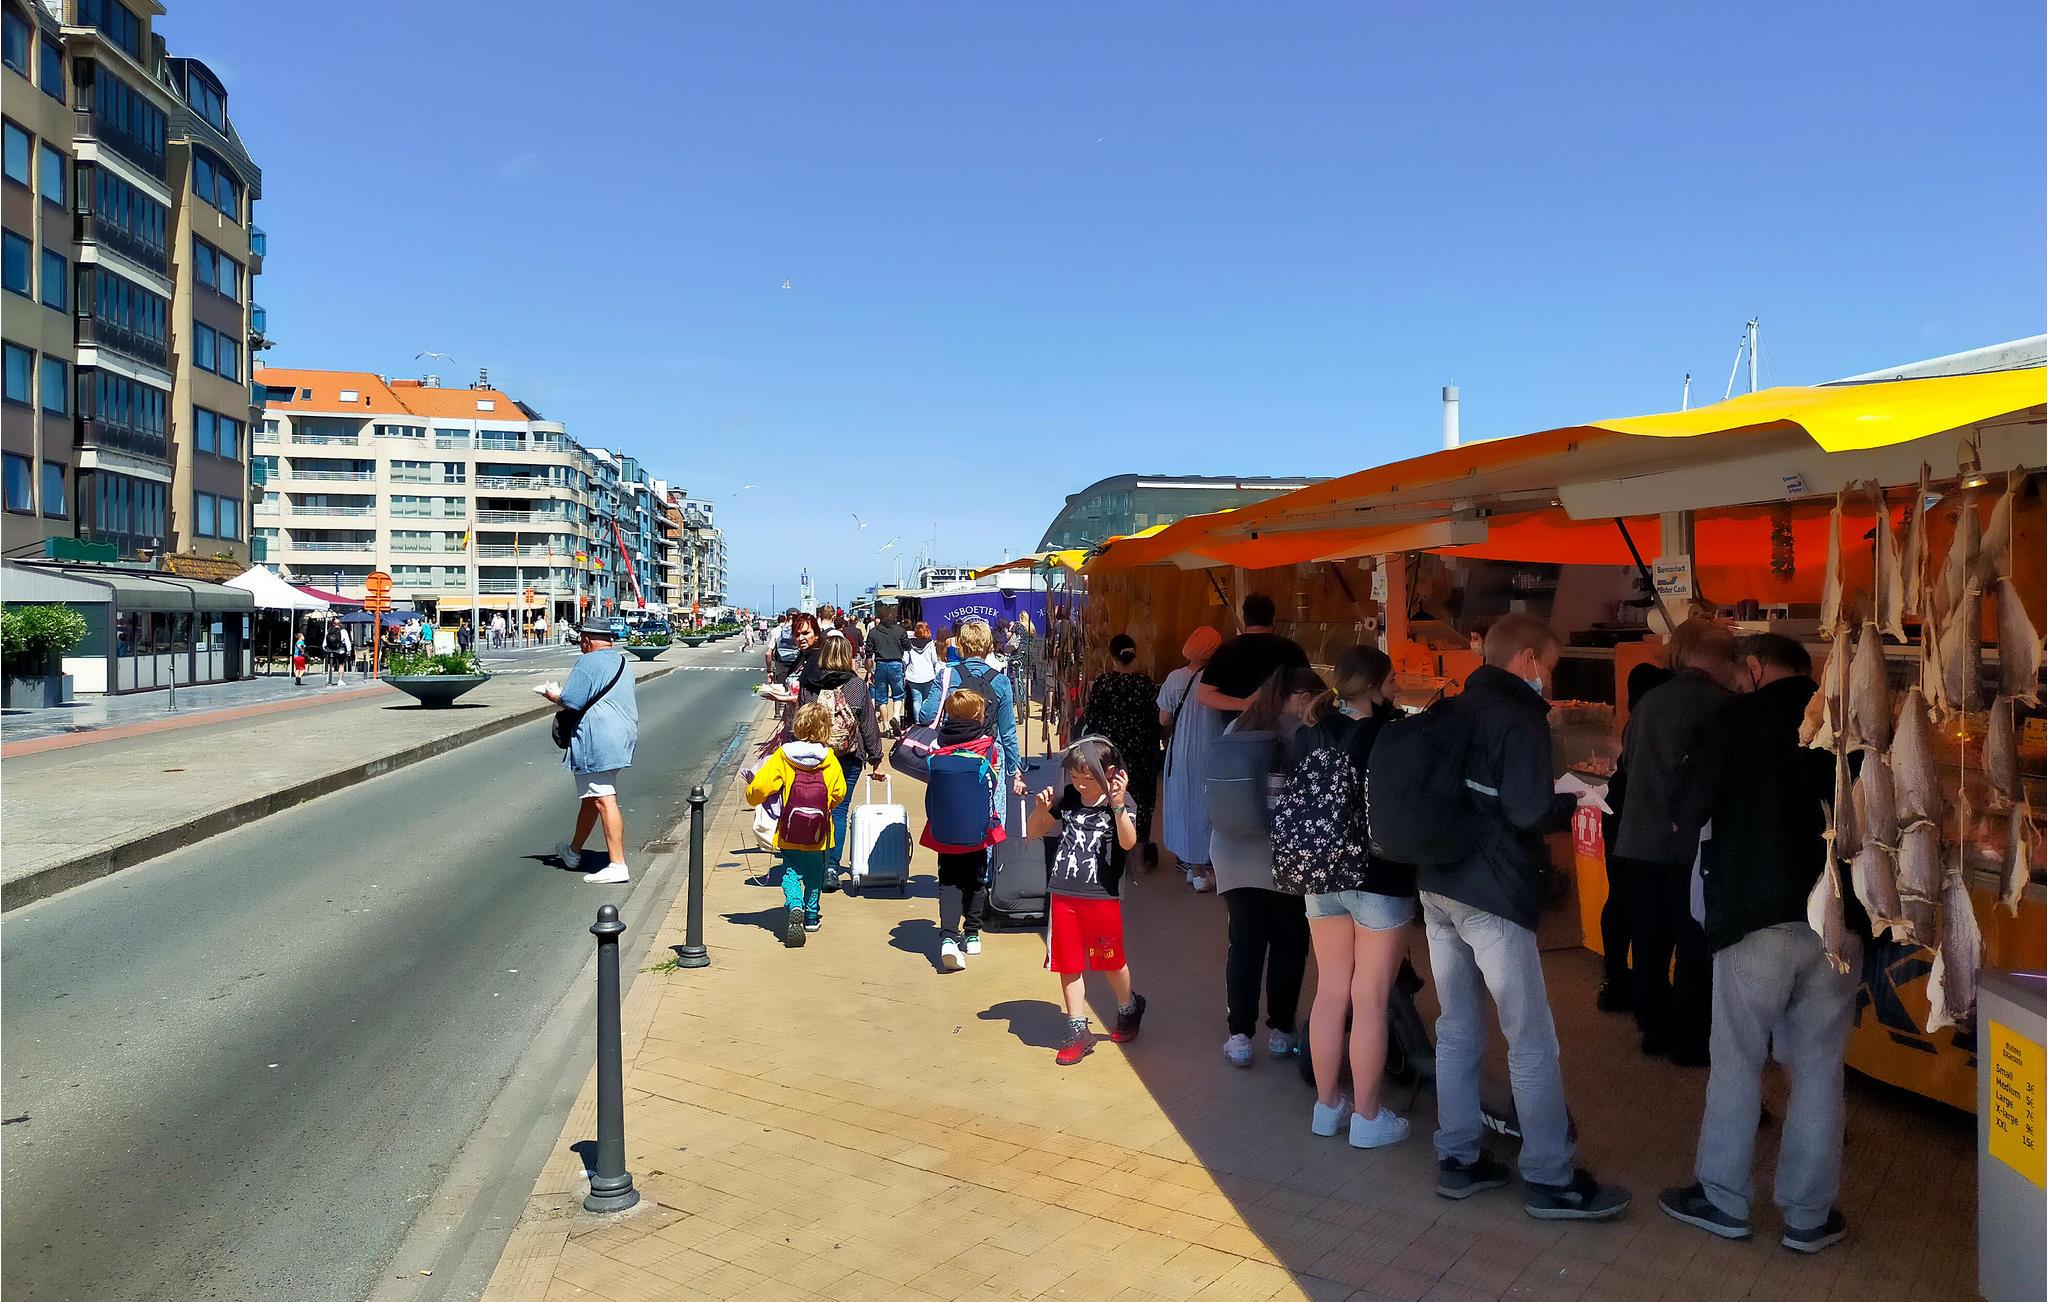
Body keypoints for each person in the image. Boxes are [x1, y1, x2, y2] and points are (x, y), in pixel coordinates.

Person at [1417, 613, 1629, 1220]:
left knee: (1457, 1028)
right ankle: (1549, 1177)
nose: (1551, 676)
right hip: (1494, 892)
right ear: (1527, 659)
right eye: (1551, 664)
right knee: (1530, 1037)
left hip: (1438, 885)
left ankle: (1458, 1158)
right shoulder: (1520, 718)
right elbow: (1529, 810)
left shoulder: (1451, 707)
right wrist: (1575, 801)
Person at [1659, 634, 1857, 1253]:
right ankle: (1808, 1217)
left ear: (1753, 667)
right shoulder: (1850, 722)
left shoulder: (1732, 721)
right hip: (1841, 918)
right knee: (1820, 1067)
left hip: (1754, 916)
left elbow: (1685, 808)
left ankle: (1722, 1199)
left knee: (1738, 1060)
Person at [1296, 647, 1414, 1149]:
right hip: (1378, 876)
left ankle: (1327, 1108)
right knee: (1370, 999)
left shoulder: (1311, 729)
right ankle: (1367, 1117)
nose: (1397, 688)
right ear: (1376, 686)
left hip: (1320, 873)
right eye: (1392, 680)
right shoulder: (1392, 734)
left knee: (1330, 990)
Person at [1616, 617, 1741, 1066]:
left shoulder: (1651, 701)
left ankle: (1653, 1026)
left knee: (1649, 940)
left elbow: (1628, 761)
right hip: (1689, 844)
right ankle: (1689, 1038)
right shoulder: (1721, 707)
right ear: (1720, 659)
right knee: (1693, 943)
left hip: (1638, 837)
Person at [1213, 667, 1322, 1067]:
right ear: (1301, 697)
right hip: (1284, 857)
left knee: (1244, 945)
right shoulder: (1304, 734)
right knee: (1288, 944)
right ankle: (1281, 1032)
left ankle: (1239, 1037)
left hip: (1230, 851)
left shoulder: (1237, 727)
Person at [1025, 736, 1148, 1066]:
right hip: (1063, 893)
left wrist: (1118, 806)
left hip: (1101, 896)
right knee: (1068, 963)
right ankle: (1077, 1028)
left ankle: (1128, 1006)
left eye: (1088, 778)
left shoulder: (1119, 802)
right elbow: (1033, 832)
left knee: (1110, 961)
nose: (1080, 785)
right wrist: (1039, 810)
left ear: (1110, 772)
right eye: (1075, 777)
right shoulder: (1067, 798)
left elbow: (1128, 843)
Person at [1596, 662, 1675, 1014]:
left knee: (1619, 899)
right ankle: (1646, 989)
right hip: (1642, 821)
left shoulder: (1635, 724)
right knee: (1647, 906)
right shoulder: (1655, 724)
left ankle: (1614, 979)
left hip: (1616, 812)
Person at [745, 701, 849, 946]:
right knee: (814, 874)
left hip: (790, 830)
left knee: (791, 871)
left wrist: (752, 796)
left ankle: (794, 904)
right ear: (826, 729)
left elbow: (761, 787)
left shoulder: (783, 756)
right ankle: (811, 917)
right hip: (819, 832)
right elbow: (840, 792)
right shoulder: (830, 759)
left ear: (798, 725)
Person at [547, 619, 640, 885]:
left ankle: (617, 864)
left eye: (581, 640)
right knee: (592, 796)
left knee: (603, 798)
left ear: (587, 640)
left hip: (597, 737)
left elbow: (571, 700)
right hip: (623, 734)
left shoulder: (588, 662)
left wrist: (552, 694)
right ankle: (574, 852)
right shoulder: (622, 661)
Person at [921, 688, 1006, 970]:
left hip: (945, 827)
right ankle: (972, 934)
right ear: (976, 714)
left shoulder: (937, 744)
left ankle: (948, 936)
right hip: (978, 827)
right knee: (976, 879)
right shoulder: (986, 745)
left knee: (948, 880)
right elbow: (993, 782)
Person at [797, 632, 885, 889]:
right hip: (848, 757)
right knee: (839, 810)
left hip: (815, 758)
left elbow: (799, 723)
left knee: (813, 808)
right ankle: (831, 868)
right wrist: (876, 758)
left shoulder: (809, 684)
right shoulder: (856, 686)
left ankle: (812, 862)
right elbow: (868, 725)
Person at [1078, 634, 1162, 869]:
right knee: (1143, 803)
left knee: (1112, 800)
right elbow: (1156, 720)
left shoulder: (1103, 683)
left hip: (1111, 755)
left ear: (1112, 657)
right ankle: (1140, 853)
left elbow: (1091, 719)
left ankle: (1113, 852)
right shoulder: (1146, 684)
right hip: (1142, 754)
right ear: (1134, 655)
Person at [1158, 626, 1225, 892]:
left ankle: (1192, 867)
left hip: (1181, 751)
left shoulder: (1175, 678)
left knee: (1184, 806)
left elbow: (1163, 718)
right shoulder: (1220, 679)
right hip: (1211, 750)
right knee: (1207, 809)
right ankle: (1200, 872)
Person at [941, 620, 1025, 798]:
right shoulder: (1001, 681)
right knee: (992, 808)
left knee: (955, 806)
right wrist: (1015, 769)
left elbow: (927, 714)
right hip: (990, 756)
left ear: (961, 645)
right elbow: (1008, 730)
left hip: (952, 753)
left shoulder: (947, 676)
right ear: (989, 646)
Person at [1196, 593, 1310, 717]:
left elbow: (1205, 695)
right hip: (1283, 723)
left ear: (1245, 618)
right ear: (1273, 618)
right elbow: (1310, 688)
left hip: (1238, 725)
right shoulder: (1291, 649)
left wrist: (1243, 704)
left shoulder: (1225, 650)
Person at [865, 603, 912, 734]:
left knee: (881, 697)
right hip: (896, 663)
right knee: (898, 694)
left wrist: (869, 672)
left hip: (880, 664)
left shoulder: (873, 632)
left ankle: (885, 726)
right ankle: (896, 716)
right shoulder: (900, 630)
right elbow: (908, 646)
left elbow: (868, 655)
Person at [904, 620, 943, 726]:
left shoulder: (909, 643)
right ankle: (925, 722)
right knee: (926, 700)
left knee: (916, 701)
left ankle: (917, 723)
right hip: (928, 676)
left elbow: (905, 660)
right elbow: (934, 660)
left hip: (913, 676)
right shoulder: (930, 644)